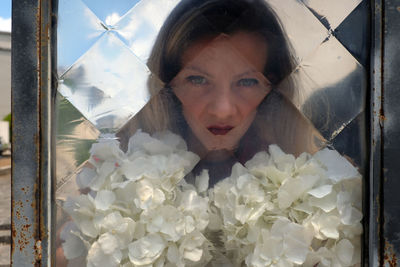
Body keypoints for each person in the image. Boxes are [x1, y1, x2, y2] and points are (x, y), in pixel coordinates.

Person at [117, 0, 325, 186]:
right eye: (198, 80)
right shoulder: (116, 180)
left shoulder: (315, 183)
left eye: (247, 82)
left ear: (273, 89)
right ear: (166, 86)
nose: (222, 110)